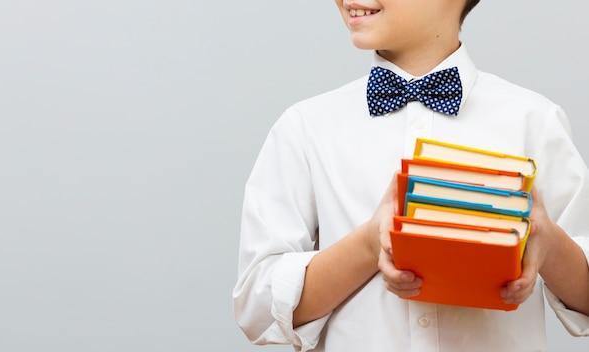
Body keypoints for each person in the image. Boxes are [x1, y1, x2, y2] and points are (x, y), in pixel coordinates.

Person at [233, 0, 589, 351]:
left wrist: (550, 244)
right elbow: (257, 308)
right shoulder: (306, 128)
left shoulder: (534, 120)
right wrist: (369, 245)